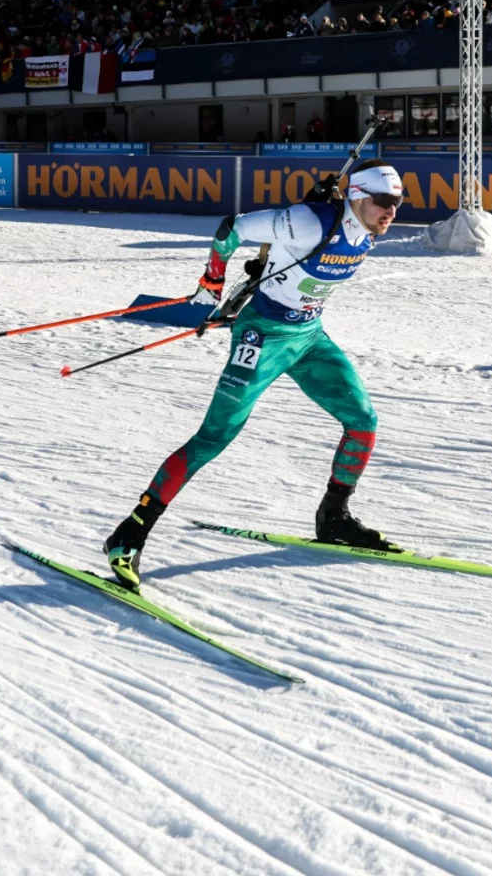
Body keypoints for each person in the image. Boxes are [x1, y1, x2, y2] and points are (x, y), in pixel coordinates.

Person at [102, 161, 405, 591]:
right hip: (262, 338)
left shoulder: (361, 226)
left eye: (397, 203)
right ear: (357, 195)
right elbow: (232, 229)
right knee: (215, 436)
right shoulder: (307, 221)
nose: (391, 211)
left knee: (363, 421)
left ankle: (333, 517)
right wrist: (212, 281)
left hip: (308, 337)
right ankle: (129, 534)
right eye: (383, 201)